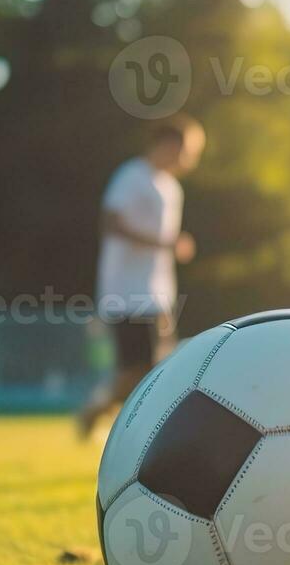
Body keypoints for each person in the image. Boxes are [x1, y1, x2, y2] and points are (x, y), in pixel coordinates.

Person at [75, 115, 202, 440]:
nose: (191, 159)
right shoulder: (132, 176)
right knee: (139, 371)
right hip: (126, 292)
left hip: (158, 293)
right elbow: (111, 223)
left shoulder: (171, 188)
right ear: (169, 144)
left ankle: (114, 420)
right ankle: (101, 414)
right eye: (188, 150)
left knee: (159, 367)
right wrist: (164, 244)